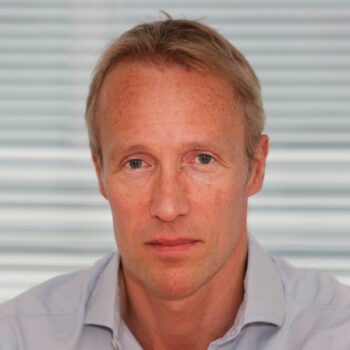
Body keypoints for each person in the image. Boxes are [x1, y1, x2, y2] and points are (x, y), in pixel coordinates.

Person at [0, 15, 349, 350]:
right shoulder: (18, 337)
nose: (168, 207)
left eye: (202, 159)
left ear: (255, 167)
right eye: (136, 163)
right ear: (100, 173)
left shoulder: (336, 334)